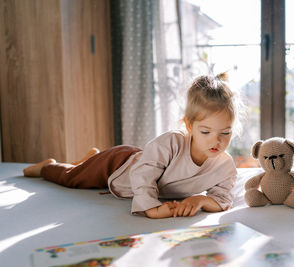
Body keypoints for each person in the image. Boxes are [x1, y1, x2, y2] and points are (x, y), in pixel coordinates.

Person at [23, 72, 244, 219]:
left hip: (126, 167)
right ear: (189, 125)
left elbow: (224, 199)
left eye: (225, 133)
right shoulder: (172, 143)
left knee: (84, 170)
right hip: (120, 164)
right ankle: (46, 166)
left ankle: (91, 158)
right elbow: (143, 174)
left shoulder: (225, 167)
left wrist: (202, 200)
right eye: (206, 132)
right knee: (71, 178)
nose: (217, 140)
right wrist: (152, 209)